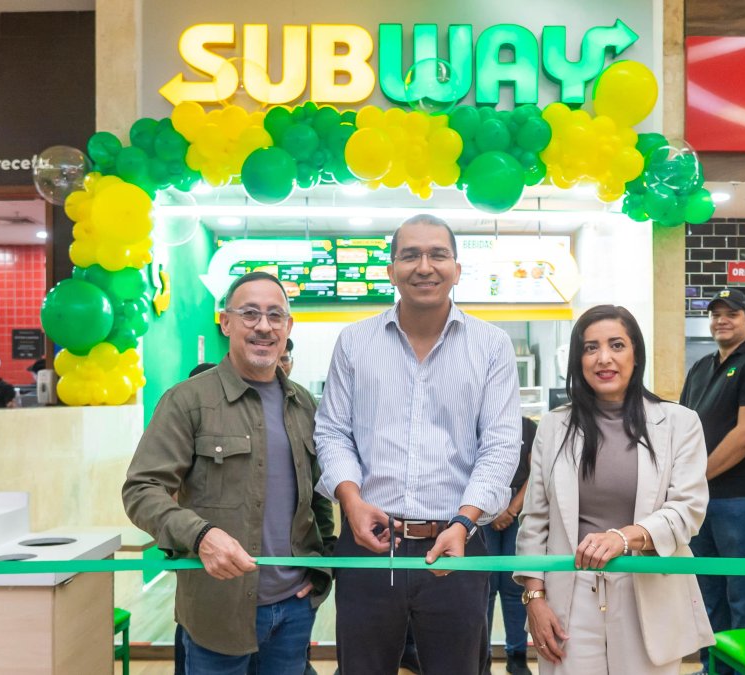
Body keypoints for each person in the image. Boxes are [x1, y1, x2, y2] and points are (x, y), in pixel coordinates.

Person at [315, 214, 521, 674]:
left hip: (457, 544)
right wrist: (351, 502)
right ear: (391, 269)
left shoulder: (491, 346)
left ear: (456, 268)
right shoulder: (354, 342)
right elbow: (331, 432)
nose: (424, 266)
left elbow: (502, 445)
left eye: (437, 254)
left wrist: (464, 522)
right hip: (368, 543)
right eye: (410, 255)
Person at [124, 271, 335, 675]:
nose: (263, 326)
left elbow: (318, 497)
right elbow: (142, 489)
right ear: (225, 322)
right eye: (250, 313)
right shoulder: (187, 401)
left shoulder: (303, 405)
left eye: (276, 315)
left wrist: (320, 570)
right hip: (216, 611)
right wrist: (200, 535)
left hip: (294, 610)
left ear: (288, 327)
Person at [515, 305, 713, 674]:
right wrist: (534, 597)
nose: (603, 358)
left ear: (635, 354)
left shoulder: (679, 423)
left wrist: (626, 538)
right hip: (569, 598)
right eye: (590, 348)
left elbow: (688, 509)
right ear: (578, 359)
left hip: (649, 594)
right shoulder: (555, 427)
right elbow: (535, 521)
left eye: (617, 345)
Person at [679, 289, 745, 671]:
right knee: (708, 594)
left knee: (744, 596)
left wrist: (695, 478)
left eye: (732, 313)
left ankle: (744, 670)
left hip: (742, 498)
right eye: (716, 314)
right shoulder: (703, 366)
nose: (722, 320)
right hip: (702, 501)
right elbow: (683, 426)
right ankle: (714, 668)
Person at [484, 416, 537, 675]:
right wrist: (491, 510)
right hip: (480, 511)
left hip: (519, 511)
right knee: (484, 585)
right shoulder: (477, 424)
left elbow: (536, 472)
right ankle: (480, 657)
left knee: (513, 585)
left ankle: (517, 656)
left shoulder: (527, 426)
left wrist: (512, 509)